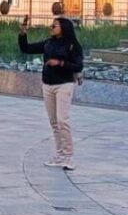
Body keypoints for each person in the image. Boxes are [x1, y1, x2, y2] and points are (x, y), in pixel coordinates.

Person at [18, 17, 84, 170]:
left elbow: (78, 65)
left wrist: (60, 63)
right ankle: (59, 155)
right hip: (47, 84)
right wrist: (23, 33)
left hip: (64, 85)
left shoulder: (72, 45)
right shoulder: (48, 43)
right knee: (54, 122)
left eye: (55, 25)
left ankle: (68, 156)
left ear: (64, 28)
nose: (51, 27)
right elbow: (26, 48)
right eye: (51, 25)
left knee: (62, 121)